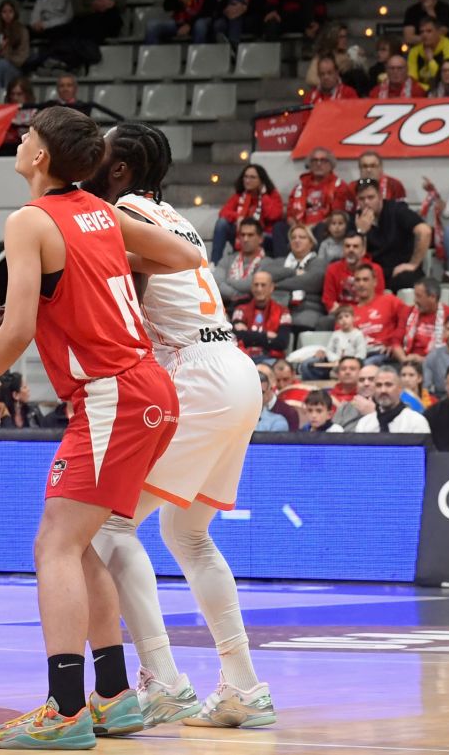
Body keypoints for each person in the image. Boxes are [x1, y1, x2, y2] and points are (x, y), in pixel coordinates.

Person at [0, 106, 198, 748]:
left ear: (42, 156)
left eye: (26, 136)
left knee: (53, 545)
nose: (20, 143)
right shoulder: (105, 213)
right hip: (145, 388)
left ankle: (66, 710)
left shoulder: (29, 219)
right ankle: (113, 697)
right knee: (80, 545)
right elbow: (187, 254)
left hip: (112, 394)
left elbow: (18, 329)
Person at [84, 123, 277, 730]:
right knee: (187, 534)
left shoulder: (116, 211)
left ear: (119, 170)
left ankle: (163, 680)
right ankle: (244, 686)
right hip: (237, 370)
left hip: (196, 371)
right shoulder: (171, 214)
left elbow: (123, 303)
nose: (90, 154)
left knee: (108, 529)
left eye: (101, 148)